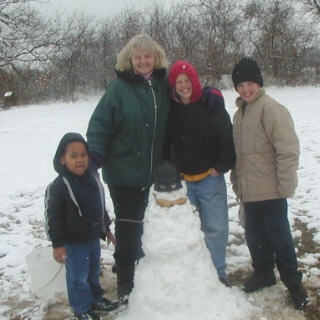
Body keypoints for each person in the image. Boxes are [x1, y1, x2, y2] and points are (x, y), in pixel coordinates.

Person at [86, 34, 170, 302]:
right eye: (138, 57)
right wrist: (94, 160)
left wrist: (210, 96)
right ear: (129, 60)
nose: (143, 61)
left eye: (148, 56)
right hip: (124, 173)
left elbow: (185, 99)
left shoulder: (162, 87)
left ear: (156, 58)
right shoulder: (117, 90)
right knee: (128, 228)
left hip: (155, 172)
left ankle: (144, 271)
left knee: (150, 226)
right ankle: (125, 281)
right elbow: (100, 127)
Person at [230, 57, 310, 309]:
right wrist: (236, 182)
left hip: (272, 191)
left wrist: (285, 186)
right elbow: (238, 156)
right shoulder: (239, 114)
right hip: (250, 191)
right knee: (255, 237)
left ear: (259, 83)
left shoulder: (272, 109)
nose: (246, 89)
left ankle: (294, 284)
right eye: (241, 85)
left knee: (280, 239)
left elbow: (288, 151)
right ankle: (263, 273)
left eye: (250, 83)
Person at [164, 60, 236, 285]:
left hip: (209, 179)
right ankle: (193, 277)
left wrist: (221, 166)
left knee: (215, 228)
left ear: (195, 81)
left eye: (187, 81)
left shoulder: (210, 103)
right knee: (187, 231)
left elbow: (226, 135)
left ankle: (218, 274)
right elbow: (166, 144)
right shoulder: (171, 109)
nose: (184, 86)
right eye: (179, 82)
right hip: (184, 181)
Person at [44, 132, 118, 320]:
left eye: (84, 155)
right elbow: (54, 219)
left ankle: (96, 300)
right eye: (73, 156)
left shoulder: (92, 178)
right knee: (78, 278)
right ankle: (81, 308)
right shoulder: (59, 186)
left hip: (92, 238)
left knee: (93, 273)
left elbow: (99, 206)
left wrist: (107, 229)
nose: (80, 160)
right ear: (62, 159)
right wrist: (58, 244)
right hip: (74, 243)